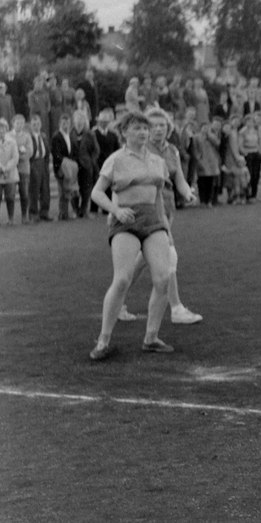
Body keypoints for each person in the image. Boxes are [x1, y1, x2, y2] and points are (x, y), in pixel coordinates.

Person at [88, 112, 181, 360]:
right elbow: (96, 193)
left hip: (152, 219)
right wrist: (116, 210)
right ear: (125, 132)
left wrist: (165, 228)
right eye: (137, 128)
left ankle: (151, 338)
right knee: (122, 280)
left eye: (145, 129)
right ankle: (103, 340)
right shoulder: (115, 159)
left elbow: (158, 196)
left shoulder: (157, 161)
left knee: (162, 278)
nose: (143, 132)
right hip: (125, 221)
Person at [117, 109, 202, 326]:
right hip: (149, 209)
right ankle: (176, 308)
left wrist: (187, 193)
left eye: (162, 125)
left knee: (144, 259)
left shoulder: (172, 150)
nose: (157, 129)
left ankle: (118, 300)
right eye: (152, 125)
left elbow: (179, 179)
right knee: (168, 254)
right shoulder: (141, 151)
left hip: (168, 207)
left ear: (168, 127)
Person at [0, 117, 19, 225]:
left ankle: (11, 218)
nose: (1, 130)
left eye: (3, 128)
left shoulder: (12, 141)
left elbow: (15, 157)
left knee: (10, 197)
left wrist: (7, 168)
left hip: (10, 173)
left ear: (6, 129)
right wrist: (1, 168)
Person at [27, 116, 52, 221]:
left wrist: (46, 163)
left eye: (37, 124)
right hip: (34, 163)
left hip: (43, 163)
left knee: (45, 189)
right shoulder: (29, 137)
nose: (36, 126)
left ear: (40, 125)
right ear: (30, 126)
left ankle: (44, 212)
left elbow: (47, 150)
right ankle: (33, 213)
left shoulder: (43, 136)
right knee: (34, 189)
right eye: (34, 124)